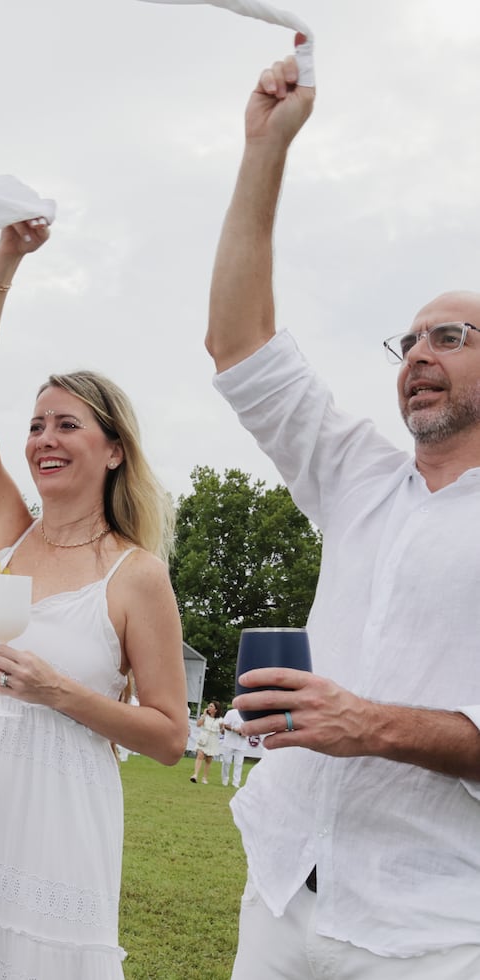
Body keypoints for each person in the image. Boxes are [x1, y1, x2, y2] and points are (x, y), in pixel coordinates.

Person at [207, 46, 480, 977]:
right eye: (406, 340)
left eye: (450, 335)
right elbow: (240, 346)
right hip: (282, 891)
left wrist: (372, 724)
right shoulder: (357, 476)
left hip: (431, 929)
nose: (416, 352)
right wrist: (263, 150)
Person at [0, 220, 189, 979]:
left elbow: (167, 737)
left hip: (58, 830)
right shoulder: (3, 533)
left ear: (114, 449)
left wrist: (59, 692)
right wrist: (5, 258)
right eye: (35, 426)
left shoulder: (135, 576)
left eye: (67, 424)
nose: (43, 439)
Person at [190, 699, 223, 784]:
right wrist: (204, 715)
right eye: (209, 706)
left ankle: (204, 778)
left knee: (208, 760)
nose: (209, 707)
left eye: (211, 706)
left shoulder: (220, 720)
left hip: (213, 740)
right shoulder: (205, 716)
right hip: (203, 738)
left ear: (216, 710)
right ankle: (195, 775)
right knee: (200, 755)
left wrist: (222, 728)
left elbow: (222, 731)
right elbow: (198, 724)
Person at [219, 706, 249, 789]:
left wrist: (245, 732)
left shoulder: (249, 714)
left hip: (242, 743)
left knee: (239, 763)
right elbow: (225, 725)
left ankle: (236, 782)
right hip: (229, 742)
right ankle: (225, 779)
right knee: (226, 761)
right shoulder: (231, 712)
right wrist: (234, 729)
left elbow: (250, 727)